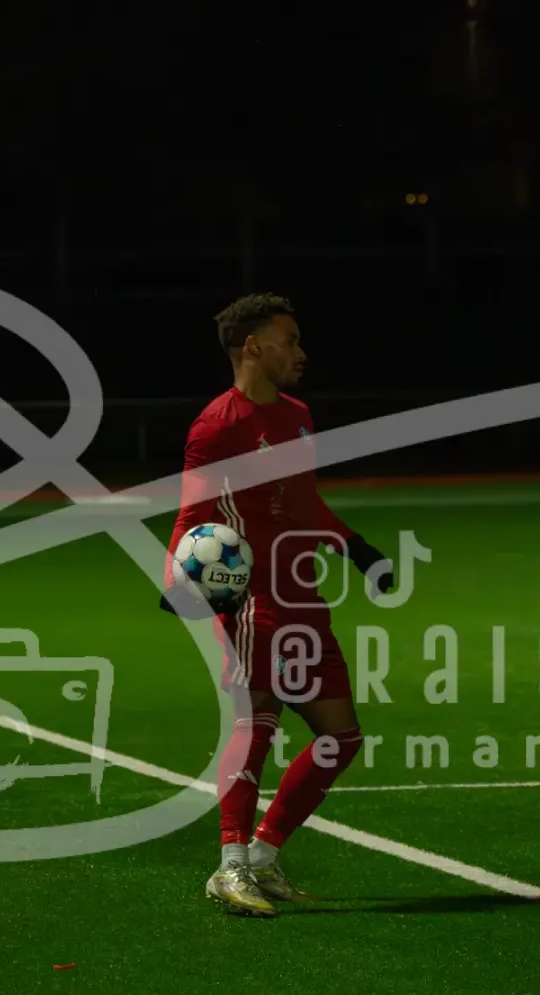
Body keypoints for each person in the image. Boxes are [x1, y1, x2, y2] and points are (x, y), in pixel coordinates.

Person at [160, 293, 394, 917]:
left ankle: (263, 857)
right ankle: (230, 865)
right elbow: (192, 513)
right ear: (253, 346)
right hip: (250, 598)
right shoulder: (217, 425)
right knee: (255, 722)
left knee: (340, 735)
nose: (300, 351)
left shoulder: (297, 416)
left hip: (303, 593)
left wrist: (356, 547)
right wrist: (175, 579)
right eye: (289, 340)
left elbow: (304, 502)